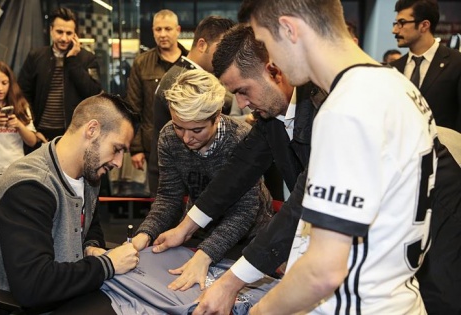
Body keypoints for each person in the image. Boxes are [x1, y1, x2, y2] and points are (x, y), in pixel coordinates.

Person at [204, 0, 437, 314]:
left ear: (289, 29)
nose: (271, 62)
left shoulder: (345, 109)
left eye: (267, 43)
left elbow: (322, 272)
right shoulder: (399, 87)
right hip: (397, 298)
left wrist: (261, 311)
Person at [147, 24, 324, 313]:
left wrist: (231, 282)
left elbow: (302, 202)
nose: (241, 104)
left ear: (273, 71)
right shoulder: (271, 114)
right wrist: (185, 227)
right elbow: (237, 172)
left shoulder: (325, 111)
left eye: (243, 91)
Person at [0, 93, 140, 309]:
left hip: (72, 294)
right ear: (92, 130)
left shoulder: (89, 173)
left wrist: (91, 247)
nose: (119, 162)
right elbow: (33, 287)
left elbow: (90, 226)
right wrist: (107, 265)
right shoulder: (29, 187)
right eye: (117, 149)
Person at [131, 69, 273, 291]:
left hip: (250, 238)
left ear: (216, 116)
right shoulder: (169, 137)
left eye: (197, 130)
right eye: (179, 127)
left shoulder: (242, 139)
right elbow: (169, 197)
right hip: (198, 231)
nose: (186, 138)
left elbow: (245, 210)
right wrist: (145, 233)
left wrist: (207, 253)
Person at [148, 16, 235, 194]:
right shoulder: (179, 80)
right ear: (202, 45)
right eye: (222, 49)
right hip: (177, 183)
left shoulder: (187, 75)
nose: (227, 56)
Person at [18, 7, 102, 145]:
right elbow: (23, 94)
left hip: (74, 131)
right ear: (51, 30)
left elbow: (93, 93)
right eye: (59, 32)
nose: (64, 38)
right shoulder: (36, 56)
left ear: (75, 34)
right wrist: (32, 128)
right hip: (41, 132)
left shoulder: (87, 58)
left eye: (69, 33)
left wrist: (72, 61)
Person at [125, 9, 188, 174]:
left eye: (168, 29)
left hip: (189, 142)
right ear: (153, 31)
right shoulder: (141, 63)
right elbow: (133, 107)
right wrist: (136, 148)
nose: (162, 34)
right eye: (158, 29)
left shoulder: (190, 62)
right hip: (152, 143)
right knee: (160, 196)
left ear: (178, 30)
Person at [391, 0, 461, 132]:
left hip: (445, 148)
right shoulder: (393, 68)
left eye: (402, 23)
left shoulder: (456, 63)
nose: (394, 30)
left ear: (424, 25)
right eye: (395, 23)